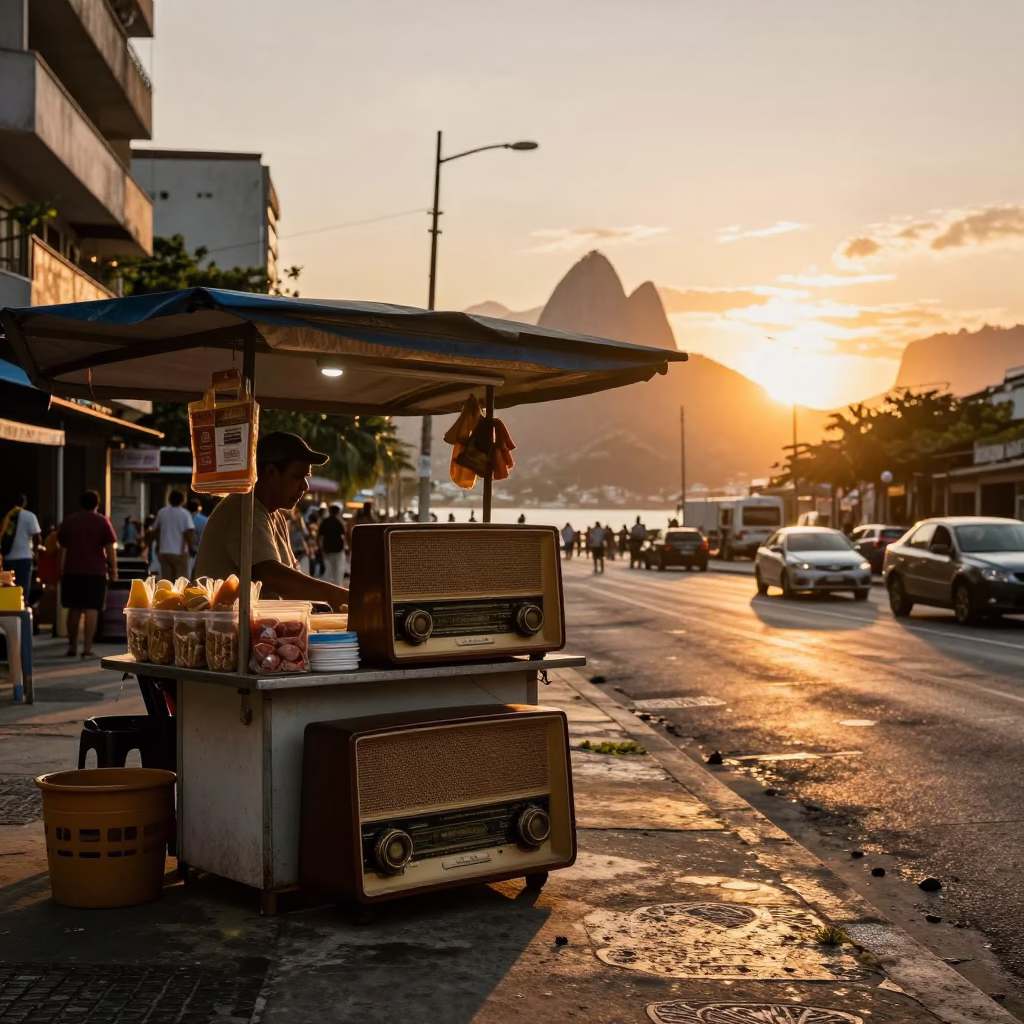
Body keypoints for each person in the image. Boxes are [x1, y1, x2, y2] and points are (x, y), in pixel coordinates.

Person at [193, 431, 349, 611]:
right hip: (224, 633)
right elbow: (271, 576)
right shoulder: (243, 509)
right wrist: (339, 596)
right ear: (270, 473)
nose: (305, 486)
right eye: (298, 476)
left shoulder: (275, 515)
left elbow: (292, 581)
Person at [58, 490, 117, 658]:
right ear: (97, 504)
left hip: (72, 571)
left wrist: (61, 571)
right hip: (96, 572)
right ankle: (87, 649)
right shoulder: (103, 521)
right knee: (93, 609)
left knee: (74, 608)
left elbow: (63, 549)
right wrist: (114, 570)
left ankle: (72, 646)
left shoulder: (70, 521)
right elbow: (110, 550)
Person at [0, 494, 41, 594]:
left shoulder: (7, 516)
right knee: (23, 588)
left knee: (8, 588)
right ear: (25, 503)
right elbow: (37, 537)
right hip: (25, 557)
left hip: (8, 557)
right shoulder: (30, 516)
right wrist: (35, 551)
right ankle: (23, 606)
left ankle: (10, 608)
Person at [152, 490, 195, 581]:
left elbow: (156, 531)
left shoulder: (162, 512)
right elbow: (189, 532)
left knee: (167, 582)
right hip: (180, 552)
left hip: (165, 551)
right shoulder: (185, 514)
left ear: (170, 499)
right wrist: (190, 547)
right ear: (183, 500)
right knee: (181, 582)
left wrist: (157, 547)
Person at [318, 504, 346, 584]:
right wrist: (346, 546)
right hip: (338, 548)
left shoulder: (325, 522)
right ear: (338, 512)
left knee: (328, 569)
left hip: (327, 548)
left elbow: (320, 536)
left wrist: (321, 547)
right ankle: (337, 585)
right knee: (338, 569)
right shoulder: (339, 522)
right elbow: (343, 535)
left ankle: (328, 585)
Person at [288, 508, 312, 575]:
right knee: (301, 572)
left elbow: (305, 534)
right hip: (297, 549)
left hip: (298, 549)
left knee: (300, 571)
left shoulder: (295, 522)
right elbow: (305, 534)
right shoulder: (290, 522)